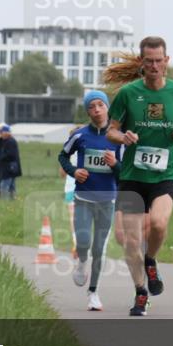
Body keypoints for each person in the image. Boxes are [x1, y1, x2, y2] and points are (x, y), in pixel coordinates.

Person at [104, 36, 173, 316]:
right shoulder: (129, 94)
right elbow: (111, 130)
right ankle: (141, 292)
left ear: (166, 61)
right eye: (149, 61)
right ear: (142, 62)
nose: (154, 66)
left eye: (159, 60)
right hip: (132, 176)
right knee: (131, 242)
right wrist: (123, 136)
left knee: (158, 223)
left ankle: (151, 260)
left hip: (165, 173)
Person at [59, 90, 123, 312]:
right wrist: (74, 171)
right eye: (91, 107)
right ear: (87, 111)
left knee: (100, 248)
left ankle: (94, 293)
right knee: (84, 242)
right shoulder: (80, 135)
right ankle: (81, 262)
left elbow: (124, 172)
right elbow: (62, 156)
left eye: (100, 105)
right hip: (83, 198)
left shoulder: (118, 137)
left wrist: (115, 164)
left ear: (107, 108)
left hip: (107, 200)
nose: (96, 110)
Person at [0, 123, 22, 200]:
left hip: (8, 169)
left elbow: (11, 155)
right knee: (11, 187)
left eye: (1, 132)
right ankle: (11, 201)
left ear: (6, 132)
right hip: (5, 169)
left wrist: (2, 157)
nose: (0, 134)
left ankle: (4, 202)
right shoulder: (1, 142)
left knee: (4, 187)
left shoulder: (10, 142)